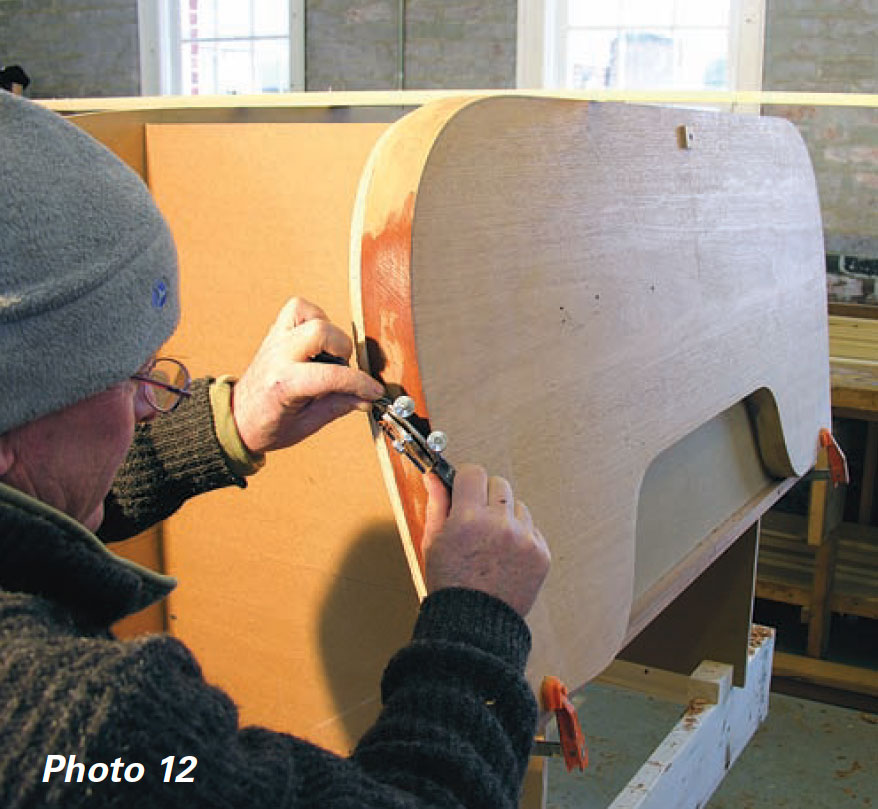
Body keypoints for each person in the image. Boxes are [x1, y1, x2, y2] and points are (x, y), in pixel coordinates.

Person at [0, 93, 551, 807]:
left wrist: (225, 421)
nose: (149, 400)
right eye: (131, 375)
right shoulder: (86, 733)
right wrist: (478, 624)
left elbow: (34, 512)